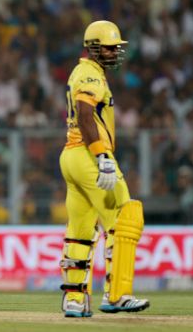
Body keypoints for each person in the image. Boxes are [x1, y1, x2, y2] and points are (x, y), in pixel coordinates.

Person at [59, 20, 150, 318]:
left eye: (116, 48)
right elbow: (85, 113)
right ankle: (118, 294)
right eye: (109, 48)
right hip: (87, 155)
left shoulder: (84, 71)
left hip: (71, 156)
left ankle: (74, 300)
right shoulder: (89, 73)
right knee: (126, 216)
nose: (114, 53)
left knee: (80, 231)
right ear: (94, 47)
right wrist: (102, 156)